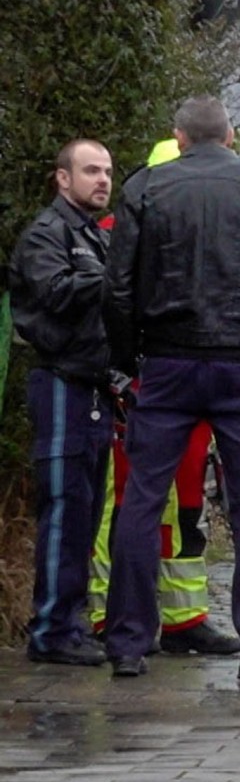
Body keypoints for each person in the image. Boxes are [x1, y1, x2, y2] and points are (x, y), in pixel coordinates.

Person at [102, 97, 240, 681]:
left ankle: (126, 642)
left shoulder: (146, 188)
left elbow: (118, 288)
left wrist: (122, 367)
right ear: (232, 136)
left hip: (167, 362)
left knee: (142, 499)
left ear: (177, 137)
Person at [88, 140, 240, 656]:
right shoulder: (118, 234)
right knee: (126, 503)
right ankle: (108, 613)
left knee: (186, 507)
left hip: (179, 389)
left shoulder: (189, 231)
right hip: (137, 394)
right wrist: (121, 374)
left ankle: (183, 618)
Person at [8, 140, 116, 666]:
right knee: (65, 509)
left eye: (107, 171)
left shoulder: (92, 235)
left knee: (86, 511)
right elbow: (53, 294)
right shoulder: (48, 236)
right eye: (90, 170)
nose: (102, 179)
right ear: (62, 179)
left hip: (93, 387)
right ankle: (51, 629)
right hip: (60, 384)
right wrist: (112, 277)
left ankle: (70, 622)